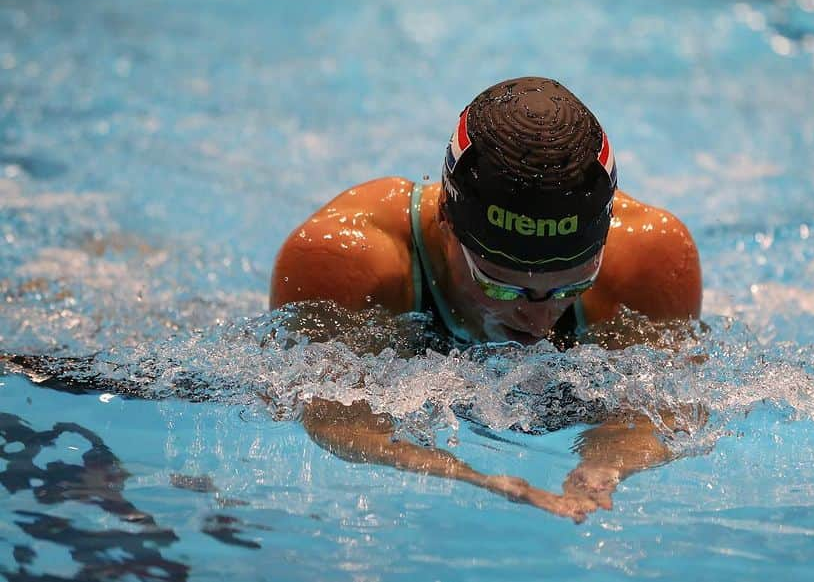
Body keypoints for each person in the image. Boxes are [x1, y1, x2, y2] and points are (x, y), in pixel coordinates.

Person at [271, 77, 702, 522]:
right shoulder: (345, 260)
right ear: (444, 218)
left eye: (571, 286)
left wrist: (606, 464)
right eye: (501, 286)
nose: (539, 321)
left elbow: (663, 413)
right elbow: (335, 418)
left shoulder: (652, 259)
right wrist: (471, 477)